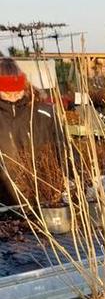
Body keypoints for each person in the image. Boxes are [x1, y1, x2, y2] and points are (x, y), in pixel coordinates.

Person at [0, 56, 60, 203]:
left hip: (42, 194)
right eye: (6, 92)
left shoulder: (43, 113)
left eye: (17, 91)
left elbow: (60, 149)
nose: (13, 96)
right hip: (4, 196)